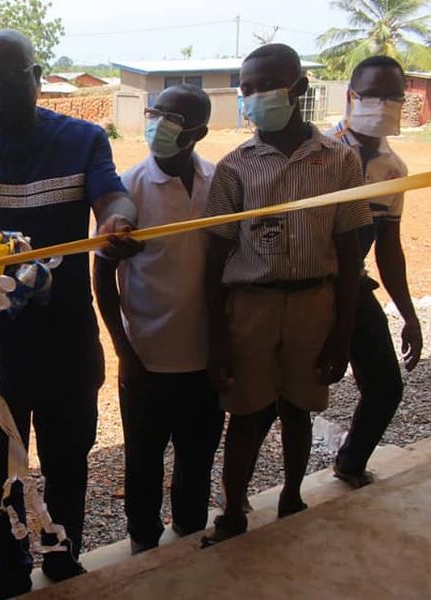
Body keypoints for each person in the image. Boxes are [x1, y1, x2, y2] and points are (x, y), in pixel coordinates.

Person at [0, 30, 139, 599]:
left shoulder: (84, 140)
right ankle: (10, 572)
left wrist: (117, 222)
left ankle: (63, 559)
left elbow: (111, 198)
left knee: (68, 459)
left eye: (9, 77)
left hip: (64, 338)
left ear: (36, 78)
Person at [200, 44, 371, 545]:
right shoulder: (234, 167)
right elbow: (214, 261)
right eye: (245, 88)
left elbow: (350, 251)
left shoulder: (339, 161)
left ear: (298, 89)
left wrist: (342, 333)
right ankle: (233, 511)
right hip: (251, 305)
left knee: (299, 408)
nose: (251, 97)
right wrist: (217, 341)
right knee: (247, 414)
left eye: (264, 86)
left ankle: (292, 495)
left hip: (314, 303)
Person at [94, 85, 224, 555]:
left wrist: (223, 350)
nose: (160, 123)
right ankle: (143, 545)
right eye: (157, 112)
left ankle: (189, 534)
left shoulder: (218, 183)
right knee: (143, 462)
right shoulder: (127, 192)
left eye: (174, 116)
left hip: (205, 358)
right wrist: (125, 354)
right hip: (148, 360)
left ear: (199, 132)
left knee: (198, 457)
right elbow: (102, 279)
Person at [326, 56, 422, 486]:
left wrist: (408, 314)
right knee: (280, 396)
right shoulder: (319, 153)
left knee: (386, 387)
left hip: (355, 288)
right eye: (373, 95)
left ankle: (350, 463)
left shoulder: (393, 170)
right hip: (307, 285)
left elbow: (389, 248)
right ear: (351, 96)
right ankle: (239, 501)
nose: (383, 104)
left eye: (393, 97)